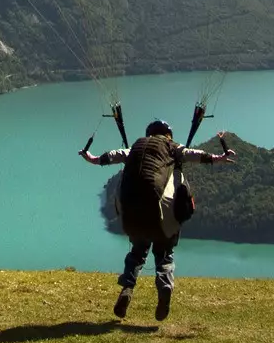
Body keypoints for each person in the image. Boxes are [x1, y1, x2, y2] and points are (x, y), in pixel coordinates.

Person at [81, 119, 235, 321]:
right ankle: (164, 287)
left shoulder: (136, 147)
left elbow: (115, 155)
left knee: (137, 252)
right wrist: (220, 158)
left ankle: (127, 288)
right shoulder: (171, 147)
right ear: (168, 134)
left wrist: (91, 158)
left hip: (131, 214)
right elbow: (193, 155)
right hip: (160, 214)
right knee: (164, 254)